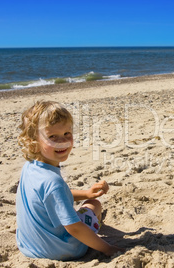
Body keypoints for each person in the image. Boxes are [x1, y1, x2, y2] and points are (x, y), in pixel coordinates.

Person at [16, 100, 124, 260]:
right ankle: (96, 224)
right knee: (95, 205)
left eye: (67, 134)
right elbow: (74, 228)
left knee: (84, 202)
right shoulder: (53, 182)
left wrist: (86, 193)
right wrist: (107, 248)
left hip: (29, 245)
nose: (63, 141)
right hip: (64, 249)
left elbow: (51, 198)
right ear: (34, 142)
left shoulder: (30, 168)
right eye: (52, 136)